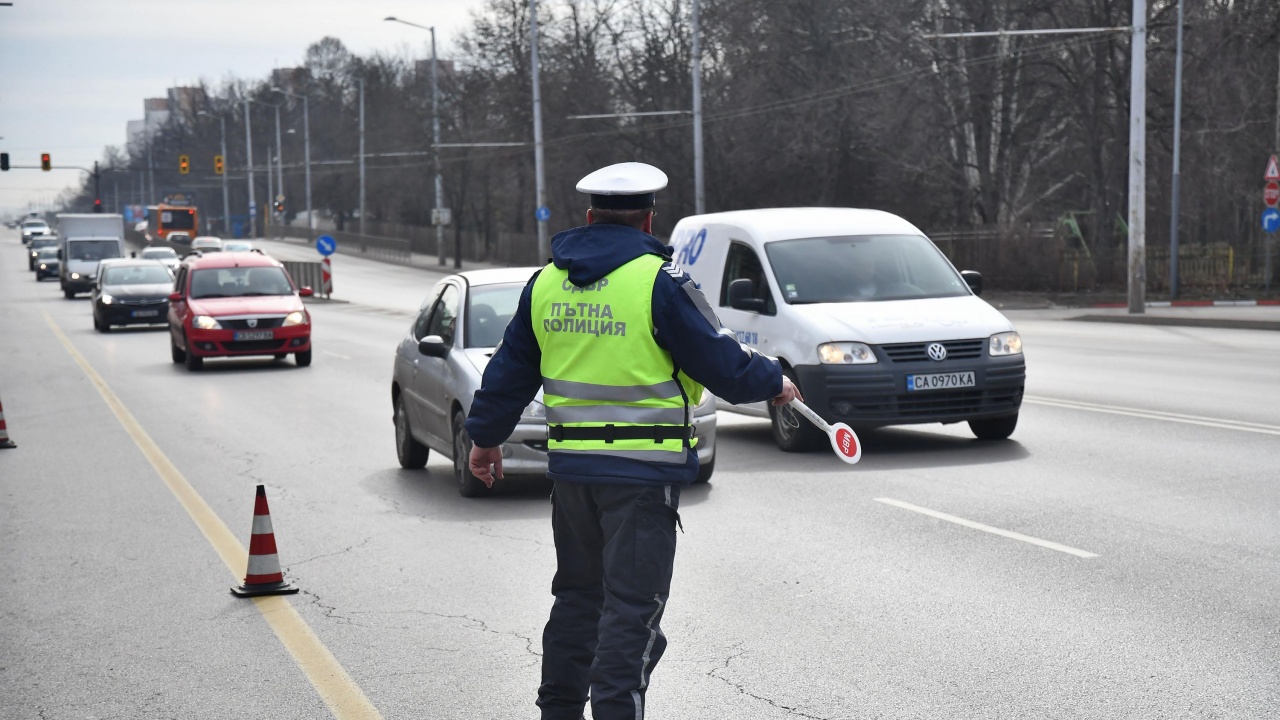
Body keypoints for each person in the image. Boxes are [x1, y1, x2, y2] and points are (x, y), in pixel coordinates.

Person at [465, 161, 800, 720]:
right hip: (641, 479)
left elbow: (509, 370)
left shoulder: (545, 282)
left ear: (590, 217)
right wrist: (775, 381)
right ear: (648, 220)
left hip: (572, 476)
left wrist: (484, 439)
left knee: (577, 601)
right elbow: (721, 361)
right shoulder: (660, 284)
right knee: (631, 613)